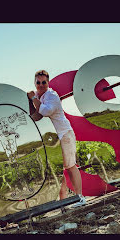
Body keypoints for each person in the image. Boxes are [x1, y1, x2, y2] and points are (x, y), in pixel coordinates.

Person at [27, 70, 86, 207]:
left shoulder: (52, 95)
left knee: (71, 166)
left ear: (48, 83)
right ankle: (63, 201)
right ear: (34, 83)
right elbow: (37, 116)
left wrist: (32, 98)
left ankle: (80, 197)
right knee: (58, 170)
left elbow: (45, 111)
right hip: (53, 139)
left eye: (43, 82)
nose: (41, 85)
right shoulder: (37, 96)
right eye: (38, 82)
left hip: (64, 134)